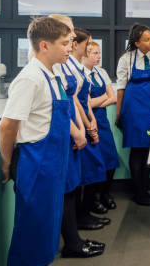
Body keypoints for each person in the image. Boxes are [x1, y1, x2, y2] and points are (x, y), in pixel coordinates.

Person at [0, 17, 72, 265]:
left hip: (53, 166)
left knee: (46, 233)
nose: (69, 48)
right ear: (44, 45)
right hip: (37, 165)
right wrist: (7, 162)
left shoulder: (51, 75)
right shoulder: (30, 78)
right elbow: (7, 125)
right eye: (64, 43)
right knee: (32, 233)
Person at [49, 14, 104, 258]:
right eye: (68, 31)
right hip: (65, 130)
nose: (73, 35)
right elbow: (59, 103)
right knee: (67, 189)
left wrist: (85, 126)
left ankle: (74, 238)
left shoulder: (66, 62)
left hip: (76, 126)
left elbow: (73, 98)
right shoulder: (50, 64)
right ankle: (72, 242)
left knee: (73, 185)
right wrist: (79, 130)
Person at [116, 23, 150, 205]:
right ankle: (138, 192)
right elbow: (120, 88)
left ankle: (145, 188)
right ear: (137, 43)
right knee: (136, 149)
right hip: (132, 107)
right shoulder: (126, 59)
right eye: (147, 39)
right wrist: (118, 114)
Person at [67, 29, 109, 227]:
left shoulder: (80, 70)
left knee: (95, 169)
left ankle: (85, 212)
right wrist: (86, 126)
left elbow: (87, 99)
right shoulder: (71, 68)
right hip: (79, 124)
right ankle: (81, 217)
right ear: (77, 44)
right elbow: (75, 100)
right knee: (83, 174)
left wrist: (91, 121)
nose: (90, 47)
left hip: (87, 122)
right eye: (88, 44)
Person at [83, 41, 120, 211]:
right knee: (95, 161)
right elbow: (86, 104)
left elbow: (113, 97)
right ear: (84, 55)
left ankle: (106, 193)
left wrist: (93, 102)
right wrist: (99, 100)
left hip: (102, 121)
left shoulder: (101, 72)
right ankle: (93, 198)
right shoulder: (81, 75)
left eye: (99, 53)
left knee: (111, 158)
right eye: (94, 53)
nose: (98, 56)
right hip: (88, 122)